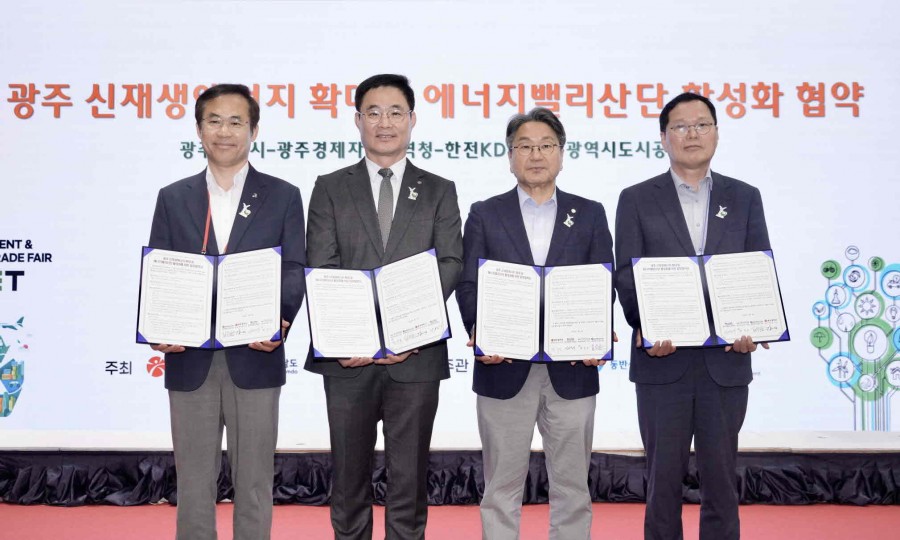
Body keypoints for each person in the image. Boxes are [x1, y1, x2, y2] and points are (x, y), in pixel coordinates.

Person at [304, 73, 463, 540]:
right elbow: (322, 265)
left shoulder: (439, 189)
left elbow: (451, 262)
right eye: (373, 113)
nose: (385, 123)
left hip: (416, 355)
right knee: (348, 479)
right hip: (347, 357)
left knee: (409, 480)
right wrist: (355, 336)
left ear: (413, 119)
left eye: (395, 112)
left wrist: (404, 331)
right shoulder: (330, 187)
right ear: (358, 120)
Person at [147, 83, 306, 540]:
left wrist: (280, 321)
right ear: (199, 130)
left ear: (254, 130)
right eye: (214, 121)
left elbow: (294, 267)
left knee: (254, 483)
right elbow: (161, 268)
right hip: (189, 357)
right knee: (193, 483)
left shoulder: (282, 195)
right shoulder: (173, 197)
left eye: (236, 122)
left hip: (254, 354)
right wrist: (160, 324)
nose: (224, 131)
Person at [615, 92, 771, 540]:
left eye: (702, 124)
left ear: (716, 132)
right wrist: (646, 326)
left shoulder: (745, 197)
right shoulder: (637, 199)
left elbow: (756, 267)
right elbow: (626, 273)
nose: (692, 134)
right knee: (662, 483)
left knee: (722, 482)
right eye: (680, 127)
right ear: (663, 138)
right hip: (662, 363)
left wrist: (755, 324)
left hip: (726, 361)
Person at [456, 107, 615, 540]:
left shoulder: (590, 213)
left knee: (573, 488)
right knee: (500, 488)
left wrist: (598, 330)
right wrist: (479, 330)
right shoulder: (485, 213)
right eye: (524, 146)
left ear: (562, 153)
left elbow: (602, 282)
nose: (536, 154)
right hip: (503, 366)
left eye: (546, 145)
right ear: (510, 156)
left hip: (572, 369)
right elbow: (468, 283)